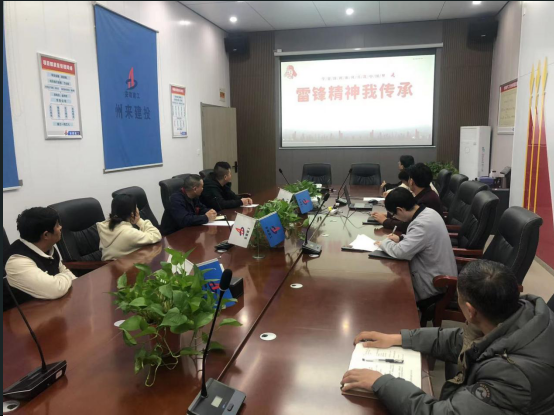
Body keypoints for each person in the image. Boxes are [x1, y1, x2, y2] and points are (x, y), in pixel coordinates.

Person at [341, 260, 554, 414]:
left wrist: (382, 382)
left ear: (470, 311)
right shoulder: (521, 313)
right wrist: (399, 339)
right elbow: (461, 339)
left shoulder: (511, 377)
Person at [375, 187, 457, 302]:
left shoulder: (421, 223)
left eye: (393, 214)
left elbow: (401, 252)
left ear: (400, 210)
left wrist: (384, 242)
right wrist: (401, 238)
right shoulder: (428, 212)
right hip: (437, 274)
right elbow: (423, 240)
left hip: (435, 285)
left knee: (388, 294)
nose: (394, 217)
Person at [4, 207, 76, 305]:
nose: (60, 227)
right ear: (46, 235)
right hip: (23, 312)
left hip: (51, 305)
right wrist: (59, 280)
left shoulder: (47, 248)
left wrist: (59, 279)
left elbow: (65, 273)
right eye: (57, 225)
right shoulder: (17, 261)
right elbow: (55, 290)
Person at [373, 163, 443, 232]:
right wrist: (391, 214)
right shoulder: (425, 194)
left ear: (411, 181)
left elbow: (410, 225)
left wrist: (385, 221)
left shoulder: (427, 200)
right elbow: (407, 213)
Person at [97, 194, 162, 261]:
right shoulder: (129, 233)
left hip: (109, 266)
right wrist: (139, 221)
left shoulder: (104, 227)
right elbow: (156, 235)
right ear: (132, 213)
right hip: (125, 266)